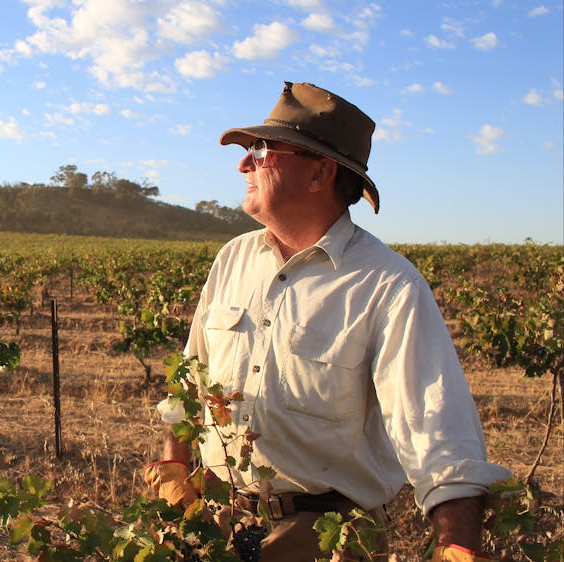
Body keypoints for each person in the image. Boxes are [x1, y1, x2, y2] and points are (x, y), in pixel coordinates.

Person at [144, 81, 512, 560]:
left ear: (320, 174)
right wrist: (175, 467)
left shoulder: (387, 284)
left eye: (262, 150)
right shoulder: (233, 258)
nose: (243, 163)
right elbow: (190, 384)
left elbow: (437, 432)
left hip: (324, 540)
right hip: (215, 522)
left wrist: (457, 543)